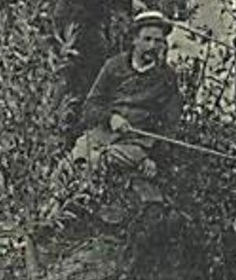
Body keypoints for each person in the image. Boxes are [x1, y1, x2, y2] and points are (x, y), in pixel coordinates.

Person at [72, 11, 182, 206]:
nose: (152, 46)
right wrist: (110, 118)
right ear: (134, 40)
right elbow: (90, 107)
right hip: (102, 135)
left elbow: (169, 126)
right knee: (72, 162)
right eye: (147, 39)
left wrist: (153, 158)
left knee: (101, 159)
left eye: (158, 41)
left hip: (136, 144)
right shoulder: (113, 66)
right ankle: (43, 223)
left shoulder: (167, 78)